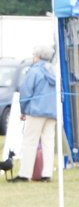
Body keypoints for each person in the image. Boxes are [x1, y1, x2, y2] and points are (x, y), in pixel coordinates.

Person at [11, 45, 57, 183]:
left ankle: (25, 174)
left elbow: (26, 91)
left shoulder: (34, 71)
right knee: (48, 143)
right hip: (52, 112)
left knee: (30, 142)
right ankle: (47, 174)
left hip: (36, 111)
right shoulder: (53, 71)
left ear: (38, 56)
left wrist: (23, 109)